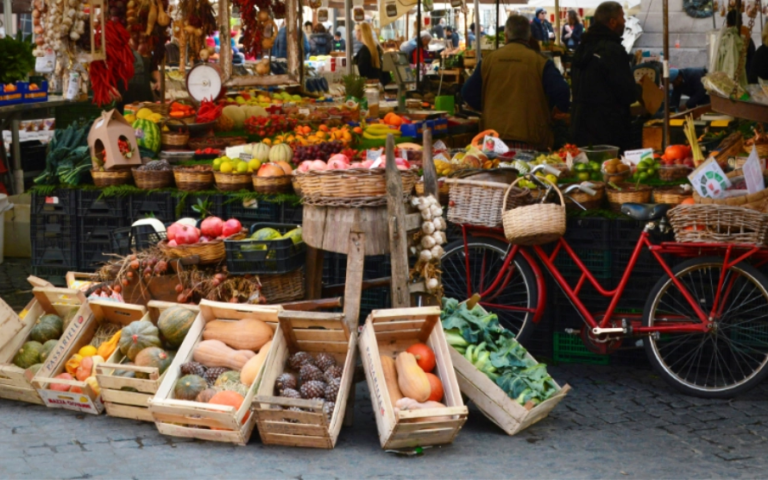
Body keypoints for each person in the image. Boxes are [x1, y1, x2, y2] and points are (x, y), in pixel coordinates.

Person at [461, 15, 570, 150]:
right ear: (529, 36)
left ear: (506, 35)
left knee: (496, 170)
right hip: (531, 136)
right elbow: (562, 90)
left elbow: (467, 92)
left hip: (493, 138)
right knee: (527, 171)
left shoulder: (488, 60)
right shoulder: (540, 61)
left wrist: (488, 106)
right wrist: (557, 111)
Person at [570, 1, 641, 152]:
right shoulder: (613, 50)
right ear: (613, 22)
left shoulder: (582, 48)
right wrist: (639, 89)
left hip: (580, 129)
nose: (625, 22)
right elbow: (627, 93)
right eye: (622, 17)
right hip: (609, 133)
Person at [727, 9, 755, 75]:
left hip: (740, 75)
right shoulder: (747, 37)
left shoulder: (729, 39)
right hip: (749, 74)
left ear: (727, 24)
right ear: (741, 22)